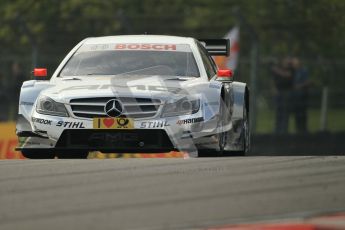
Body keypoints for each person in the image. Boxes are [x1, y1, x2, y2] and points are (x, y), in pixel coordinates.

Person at [271, 57, 294, 134]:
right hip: (278, 93)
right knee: (278, 112)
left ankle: (284, 130)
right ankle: (277, 129)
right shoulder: (279, 69)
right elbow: (274, 81)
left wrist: (276, 70)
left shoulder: (291, 69)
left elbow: (287, 75)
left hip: (287, 93)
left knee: (285, 113)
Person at [291, 57, 310, 134]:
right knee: (297, 114)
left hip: (302, 95)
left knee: (303, 113)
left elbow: (308, 82)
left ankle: (303, 129)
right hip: (295, 96)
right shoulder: (293, 72)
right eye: (294, 64)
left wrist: (299, 86)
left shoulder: (303, 71)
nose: (295, 65)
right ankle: (298, 129)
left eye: (296, 63)